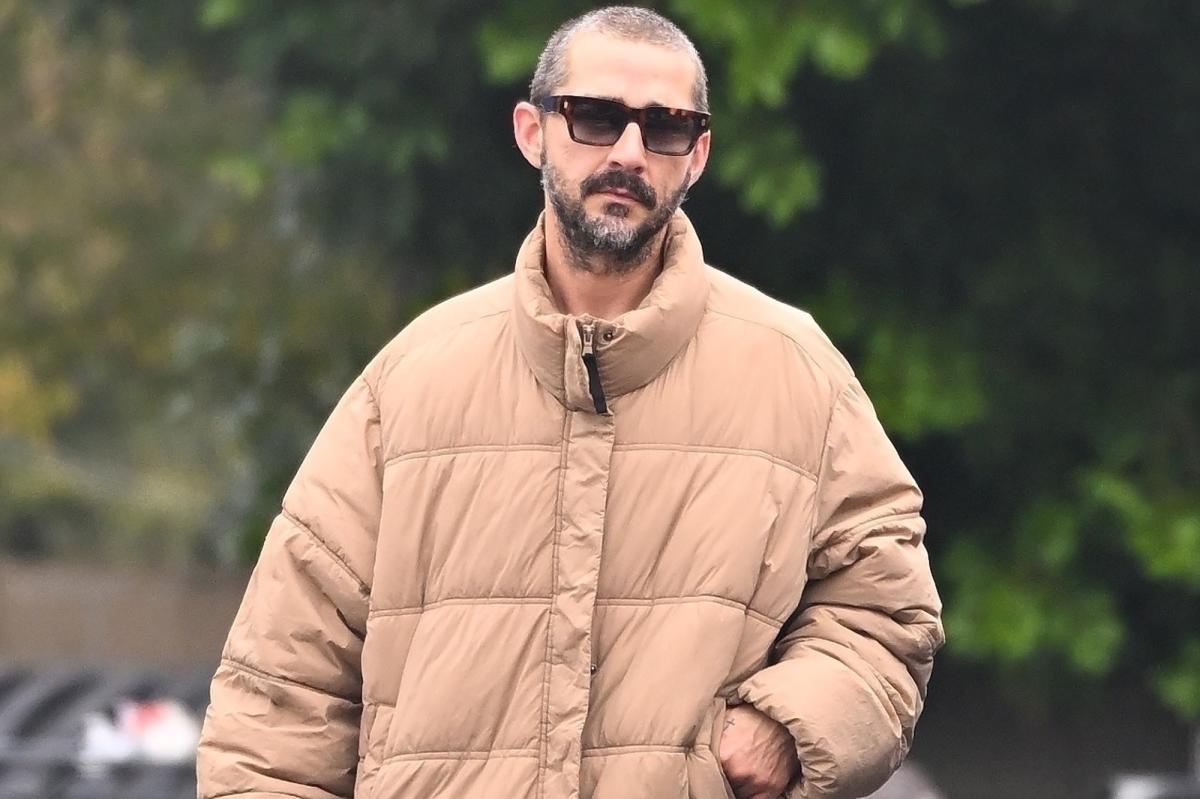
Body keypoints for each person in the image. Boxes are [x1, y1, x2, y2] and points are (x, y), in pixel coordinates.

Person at [196, 6, 943, 799]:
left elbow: (886, 617)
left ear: (697, 155)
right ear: (533, 132)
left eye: (666, 127)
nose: (629, 152)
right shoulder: (408, 384)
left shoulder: (795, 375)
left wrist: (789, 724)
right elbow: (278, 698)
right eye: (594, 117)